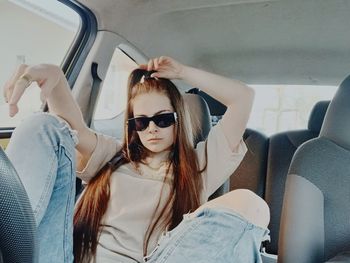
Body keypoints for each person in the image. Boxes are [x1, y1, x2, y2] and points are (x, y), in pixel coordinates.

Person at [3, 56, 270, 263]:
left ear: (179, 120)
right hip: (66, 257)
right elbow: (73, 130)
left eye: (163, 119)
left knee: (251, 203)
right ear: (133, 126)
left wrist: (184, 73)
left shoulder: (197, 170)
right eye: (142, 122)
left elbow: (243, 98)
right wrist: (55, 77)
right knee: (43, 124)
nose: (152, 128)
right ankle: (6, 237)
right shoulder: (114, 156)